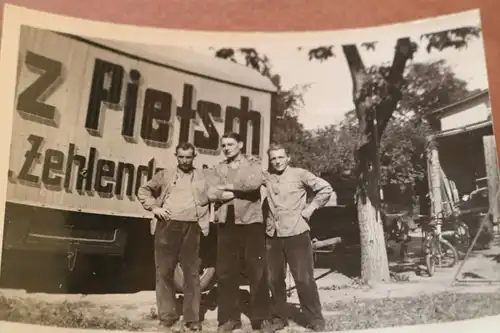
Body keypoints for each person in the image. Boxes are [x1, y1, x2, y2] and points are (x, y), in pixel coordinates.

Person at [137, 142, 210, 331]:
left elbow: (216, 192)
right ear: (176, 156)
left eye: (189, 157)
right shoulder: (165, 175)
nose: (185, 161)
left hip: (192, 227)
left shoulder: (203, 176)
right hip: (167, 226)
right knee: (164, 272)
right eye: (181, 157)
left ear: (195, 156)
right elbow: (143, 191)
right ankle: (167, 317)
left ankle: (192, 319)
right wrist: (155, 208)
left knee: (192, 274)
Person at [262, 142, 333, 332]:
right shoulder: (266, 176)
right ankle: (279, 319)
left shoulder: (300, 174)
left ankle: (315, 319)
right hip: (273, 234)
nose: (277, 161)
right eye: (273, 158)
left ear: (288, 158)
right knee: (274, 279)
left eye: (280, 157)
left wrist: (310, 208)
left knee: (304, 279)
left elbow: (325, 189)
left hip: (297, 233)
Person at [206, 132, 273, 333]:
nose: (226, 148)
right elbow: (210, 192)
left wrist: (227, 188)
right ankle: (229, 319)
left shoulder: (252, 164)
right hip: (226, 223)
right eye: (224, 145)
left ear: (240, 144)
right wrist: (236, 191)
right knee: (226, 272)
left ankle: (261, 319)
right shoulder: (218, 168)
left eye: (231, 144)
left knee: (257, 271)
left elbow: (254, 184)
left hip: (251, 222)